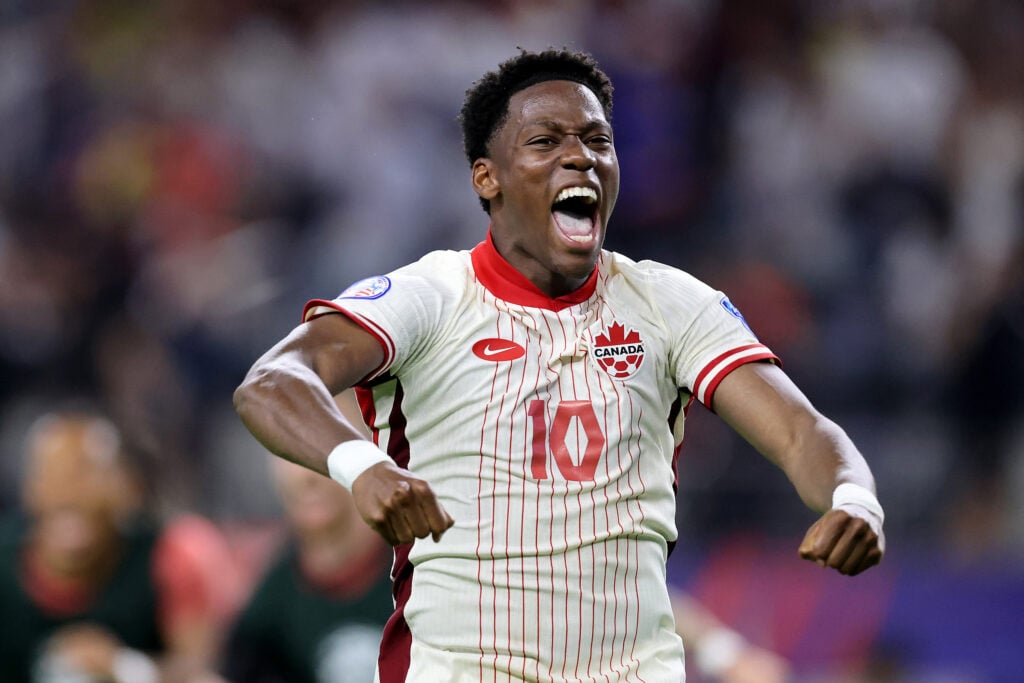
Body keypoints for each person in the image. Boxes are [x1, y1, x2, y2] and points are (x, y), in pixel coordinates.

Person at [234, 49, 885, 682]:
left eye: (598, 140)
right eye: (545, 141)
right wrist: (364, 466)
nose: (581, 156)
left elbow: (803, 432)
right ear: (487, 177)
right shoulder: (429, 297)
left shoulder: (669, 304)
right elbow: (272, 383)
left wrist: (853, 496)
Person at [0, 408, 240, 683]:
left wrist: (125, 667)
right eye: (52, 474)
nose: (68, 492)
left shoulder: (171, 555)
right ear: (29, 489)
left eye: (87, 473)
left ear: (126, 488)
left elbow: (203, 669)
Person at [221, 394, 395, 683]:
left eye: (327, 444)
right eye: (287, 448)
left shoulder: (423, 572)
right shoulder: (267, 610)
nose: (304, 473)